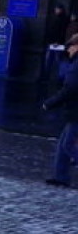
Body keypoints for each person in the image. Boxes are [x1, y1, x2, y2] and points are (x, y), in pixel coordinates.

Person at [43, 34, 78, 187]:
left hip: (76, 112)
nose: (68, 49)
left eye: (70, 46)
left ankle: (61, 176)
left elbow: (69, 89)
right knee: (63, 144)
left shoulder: (76, 66)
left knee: (68, 145)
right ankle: (60, 176)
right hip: (73, 111)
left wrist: (50, 103)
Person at [41, 3, 69, 82]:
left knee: (58, 60)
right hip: (51, 42)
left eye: (57, 9)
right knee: (49, 60)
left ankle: (59, 78)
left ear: (61, 9)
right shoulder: (54, 18)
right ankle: (47, 77)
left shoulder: (63, 19)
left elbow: (62, 32)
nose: (56, 10)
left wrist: (58, 41)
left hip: (58, 43)